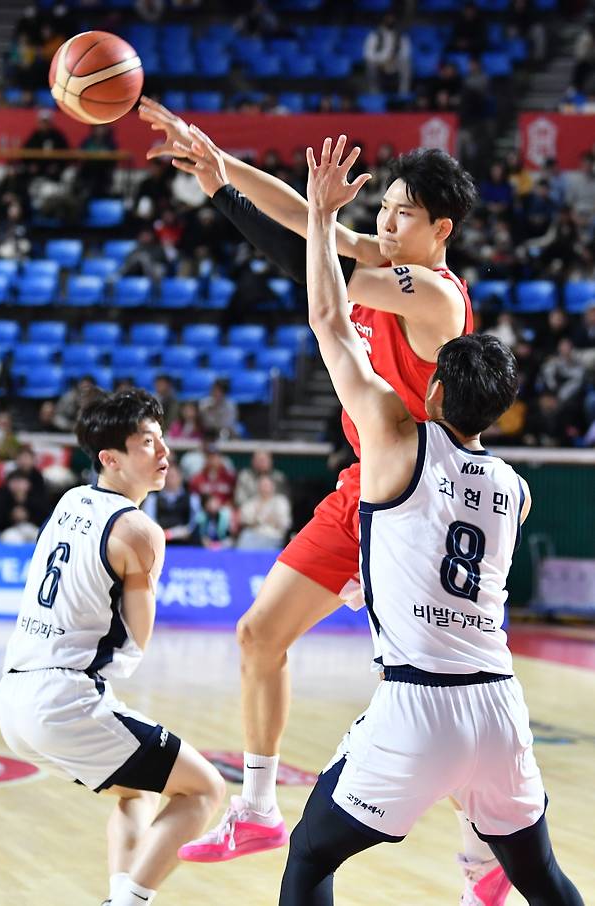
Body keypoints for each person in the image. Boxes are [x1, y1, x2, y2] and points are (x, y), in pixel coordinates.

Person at [138, 100, 509, 903]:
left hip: (418, 500)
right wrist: (220, 168)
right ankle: (260, 805)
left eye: (401, 215)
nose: (384, 222)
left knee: (427, 690)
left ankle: (485, 845)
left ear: (440, 230)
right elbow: (318, 231)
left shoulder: (435, 294)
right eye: (382, 208)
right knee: (258, 633)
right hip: (364, 485)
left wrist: (238, 200)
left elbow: (320, 258)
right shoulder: (384, 259)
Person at [277, 136, 584, 906]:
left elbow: (328, 317)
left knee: (310, 857)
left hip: (420, 702)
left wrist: (318, 216)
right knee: (543, 877)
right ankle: (480, 859)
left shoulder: (390, 439)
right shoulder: (514, 487)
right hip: (501, 706)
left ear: (437, 391)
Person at [0, 388, 225, 906]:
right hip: (62, 697)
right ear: (110, 458)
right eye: (148, 442)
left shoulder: (70, 500)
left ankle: (120, 895)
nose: (164, 453)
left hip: (13, 698)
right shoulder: (140, 530)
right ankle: (129, 902)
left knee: (138, 787)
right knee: (205, 790)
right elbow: (136, 639)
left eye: (162, 440)